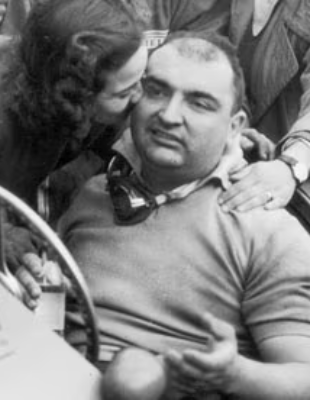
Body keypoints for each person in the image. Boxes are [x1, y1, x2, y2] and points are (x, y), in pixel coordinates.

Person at [48, 31, 310, 399]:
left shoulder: (267, 230)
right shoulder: (94, 192)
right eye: (155, 91)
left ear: (235, 126)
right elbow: (46, 299)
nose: (169, 116)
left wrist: (234, 375)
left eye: (199, 104)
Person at [0, 0, 147, 207]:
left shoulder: (82, 99)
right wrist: (2, 228)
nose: (139, 96)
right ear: (76, 95)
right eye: (124, 92)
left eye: (142, 79)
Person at [137, 0, 310, 213]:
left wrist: (292, 165)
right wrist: (230, 129)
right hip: (208, 156)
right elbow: (208, 62)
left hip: (276, 185)